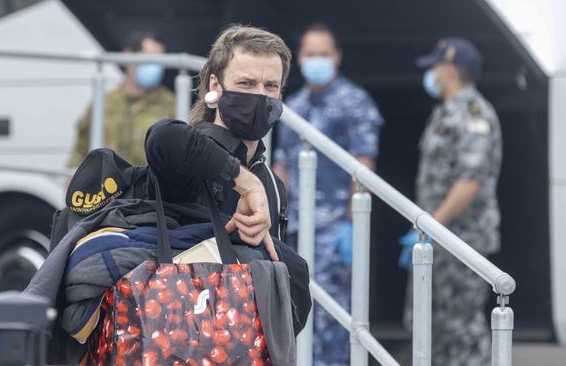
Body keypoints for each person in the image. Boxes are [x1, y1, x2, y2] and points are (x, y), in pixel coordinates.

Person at [144, 25, 311, 331]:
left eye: (271, 86)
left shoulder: (272, 183)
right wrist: (245, 183)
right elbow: (162, 137)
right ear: (215, 85)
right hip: (178, 337)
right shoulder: (190, 159)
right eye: (246, 83)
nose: (260, 96)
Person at [272, 23, 383, 365]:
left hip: (335, 227)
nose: (317, 60)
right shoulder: (292, 105)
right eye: (310, 54)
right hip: (296, 228)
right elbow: (281, 168)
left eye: (324, 54)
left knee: (333, 316)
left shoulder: (355, 101)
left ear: (336, 57)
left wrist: (351, 223)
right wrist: (275, 217)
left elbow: (363, 166)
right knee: (296, 308)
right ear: (299, 58)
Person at [399, 37, 502, 365]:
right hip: (441, 239)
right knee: (435, 326)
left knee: (462, 328)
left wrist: (431, 227)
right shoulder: (445, 113)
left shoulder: (474, 113)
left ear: (452, 70)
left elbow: (469, 183)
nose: (431, 72)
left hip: (462, 240)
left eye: (436, 65)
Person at [68, 30, 175, 167]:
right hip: (106, 185)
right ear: (128, 55)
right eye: (148, 58)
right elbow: (81, 146)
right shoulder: (105, 101)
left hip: (146, 186)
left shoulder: (170, 104)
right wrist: (72, 177)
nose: (154, 66)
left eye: (159, 60)